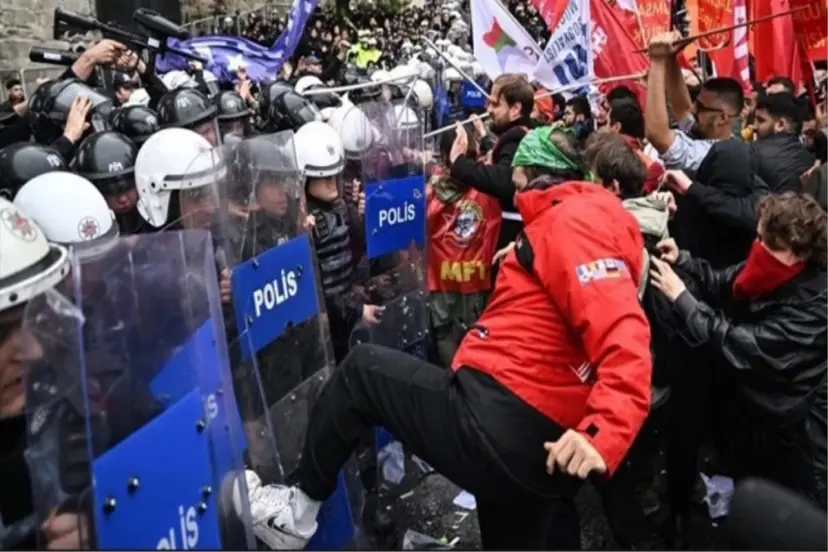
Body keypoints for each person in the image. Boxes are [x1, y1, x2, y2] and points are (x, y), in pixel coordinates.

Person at [230, 127, 652, 550]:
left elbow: (623, 329)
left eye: (517, 183)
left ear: (536, 175)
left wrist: (605, 430)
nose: (513, 193)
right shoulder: (568, 222)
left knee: (361, 372)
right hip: (538, 440)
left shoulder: (575, 222)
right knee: (520, 519)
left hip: (500, 415)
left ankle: (296, 514)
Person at [649, 191, 828, 509]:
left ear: (799, 255)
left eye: (769, 244)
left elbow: (741, 344)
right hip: (755, 408)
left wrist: (683, 299)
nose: (758, 248)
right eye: (758, 236)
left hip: (794, 429)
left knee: (784, 508)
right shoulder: (774, 266)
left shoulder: (815, 309)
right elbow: (726, 281)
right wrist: (685, 259)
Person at [448, 73, 535, 251]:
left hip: (511, 234)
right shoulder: (527, 131)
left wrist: (459, 162)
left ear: (515, 109)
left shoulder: (517, 138)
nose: (489, 109)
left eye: (495, 104)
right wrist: (485, 136)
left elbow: (504, 179)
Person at [645, 31, 745, 173]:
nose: (693, 110)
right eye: (696, 103)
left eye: (701, 107)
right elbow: (682, 109)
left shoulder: (714, 155)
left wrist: (658, 60)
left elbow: (657, 135)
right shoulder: (707, 130)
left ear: (722, 118)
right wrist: (671, 57)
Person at [751, 92, 815, 193]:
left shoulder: (752, 154)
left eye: (761, 120)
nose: (754, 127)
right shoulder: (812, 161)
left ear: (780, 124)